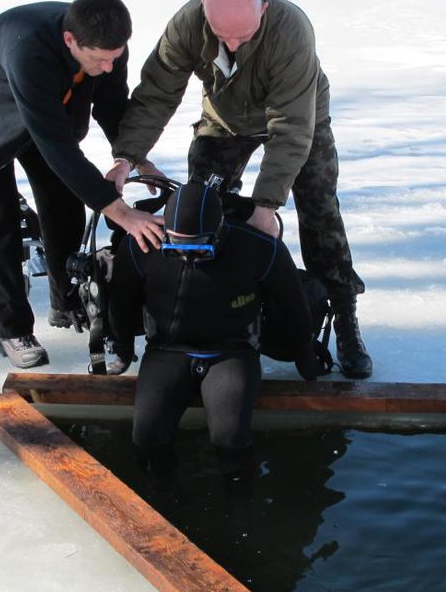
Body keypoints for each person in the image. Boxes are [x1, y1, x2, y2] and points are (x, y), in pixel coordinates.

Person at [106, 0, 372, 379]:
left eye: (242, 37)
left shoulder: (290, 30)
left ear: (263, 11)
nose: (231, 45)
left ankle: (343, 313)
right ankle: (210, 312)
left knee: (320, 209)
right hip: (226, 120)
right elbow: (157, 94)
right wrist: (127, 157)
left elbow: (291, 128)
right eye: (221, 37)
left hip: (301, 117)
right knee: (201, 211)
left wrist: (265, 207)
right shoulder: (187, 25)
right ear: (205, 15)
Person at [0, 0, 164, 368]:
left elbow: (112, 107)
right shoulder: (30, 52)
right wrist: (122, 213)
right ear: (70, 40)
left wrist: (137, 158)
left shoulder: (106, 44)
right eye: (99, 60)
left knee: (64, 202)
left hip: (40, 105)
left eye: (115, 56)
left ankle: (66, 300)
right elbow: (58, 147)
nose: (108, 67)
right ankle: (12, 331)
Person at [108, 181, 322, 474]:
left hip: (231, 351)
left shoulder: (259, 248)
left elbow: (293, 305)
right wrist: (122, 345)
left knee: (230, 440)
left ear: (219, 232)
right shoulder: (141, 244)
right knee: (147, 438)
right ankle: (162, 493)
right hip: (167, 350)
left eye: (200, 250)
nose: (187, 257)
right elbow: (121, 301)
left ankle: (237, 497)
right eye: (175, 249)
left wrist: (304, 350)